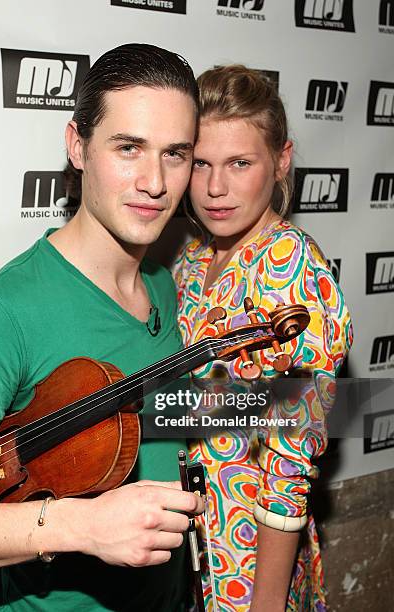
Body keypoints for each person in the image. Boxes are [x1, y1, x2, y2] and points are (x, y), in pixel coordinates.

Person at [0, 43, 205, 612]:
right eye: (129, 148)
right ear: (78, 146)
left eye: (176, 154)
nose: (155, 181)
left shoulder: (167, 286)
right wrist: (80, 527)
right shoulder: (1, 317)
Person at [174, 65, 352, 611]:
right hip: (188, 540)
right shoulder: (192, 258)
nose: (214, 188)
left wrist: (267, 599)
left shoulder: (292, 266)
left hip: (249, 556)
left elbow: (293, 456)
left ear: (281, 160)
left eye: (239, 163)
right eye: (199, 163)